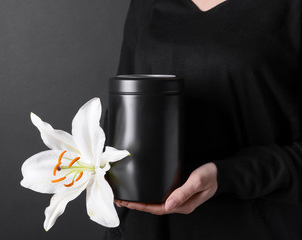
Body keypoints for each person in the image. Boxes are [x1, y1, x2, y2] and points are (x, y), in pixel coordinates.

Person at [104, 0, 302, 239]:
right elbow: (121, 111)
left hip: (256, 224)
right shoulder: (145, 4)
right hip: (147, 226)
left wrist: (227, 175)